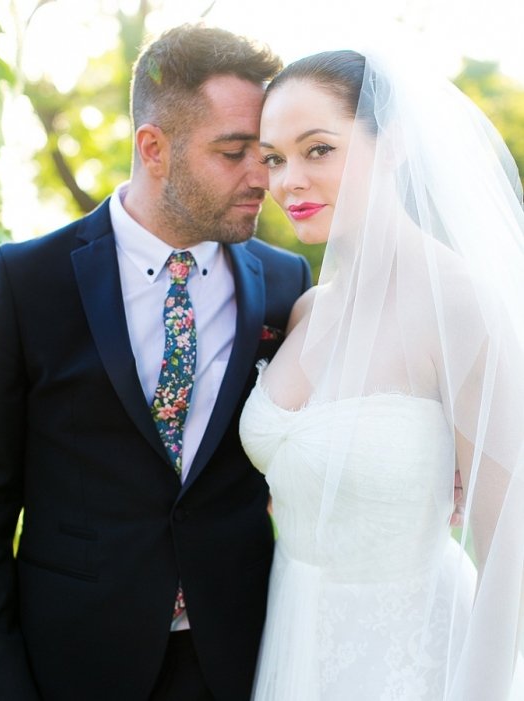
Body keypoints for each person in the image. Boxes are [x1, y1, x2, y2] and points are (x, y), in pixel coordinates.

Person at [0, 24, 311, 701]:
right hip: (71, 662)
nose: (263, 178)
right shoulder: (26, 280)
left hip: (241, 658)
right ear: (153, 148)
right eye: (234, 152)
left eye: (268, 154)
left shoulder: (285, 283)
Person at [239, 47, 524, 700]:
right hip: (293, 647)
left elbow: (511, 554)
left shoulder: (460, 305)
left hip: (412, 663)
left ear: (392, 144)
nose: (289, 182)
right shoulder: (308, 308)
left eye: (318, 150)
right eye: (275, 158)